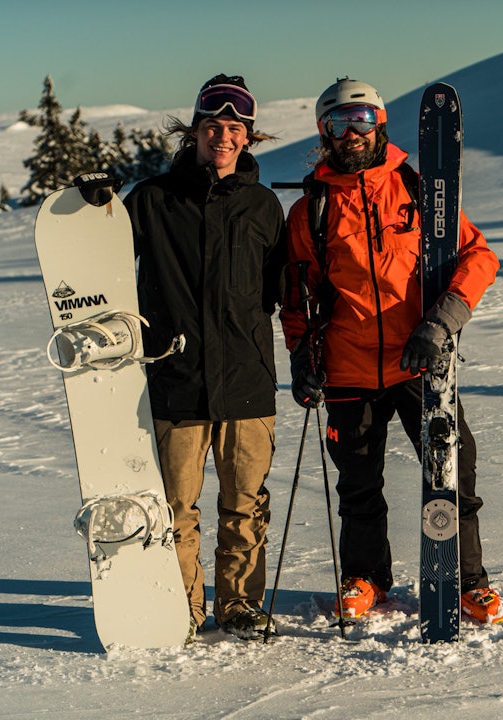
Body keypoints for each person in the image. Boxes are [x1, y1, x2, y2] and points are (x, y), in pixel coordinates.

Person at [279, 78, 503, 624]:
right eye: (338, 123)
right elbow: (297, 296)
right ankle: (366, 579)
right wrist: (302, 356)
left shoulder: (419, 189)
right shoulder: (311, 209)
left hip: (420, 365)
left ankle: (466, 580)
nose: (351, 133)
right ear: (323, 133)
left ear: (379, 124)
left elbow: (479, 257)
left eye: (361, 120)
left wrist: (442, 322)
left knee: (453, 473)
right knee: (358, 484)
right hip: (348, 368)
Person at [124, 74, 287, 640]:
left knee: (245, 504)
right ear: (193, 132)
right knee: (175, 508)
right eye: (212, 126)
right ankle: (182, 606)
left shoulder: (264, 207)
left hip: (247, 382)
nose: (222, 135)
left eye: (234, 128)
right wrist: (88, 206)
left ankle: (238, 604)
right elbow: (102, 263)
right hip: (176, 379)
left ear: (248, 138)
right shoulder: (151, 200)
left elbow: (277, 292)